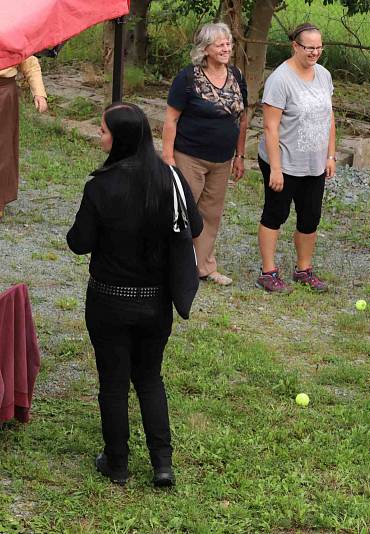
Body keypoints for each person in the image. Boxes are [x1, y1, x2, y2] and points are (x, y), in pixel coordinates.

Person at [67, 103, 203, 487]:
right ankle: (163, 465)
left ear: (120, 138)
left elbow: (79, 243)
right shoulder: (170, 178)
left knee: (113, 383)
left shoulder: (100, 186)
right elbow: (194, 226)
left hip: (109, 301)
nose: (100, 135)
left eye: (103, 130)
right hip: (156, 302)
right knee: (149, 379)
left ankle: (118, 463)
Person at [162, 22, 248, 286]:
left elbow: (242, 118)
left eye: (229, 43)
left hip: (222, 159)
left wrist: (240, 155)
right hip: (190, 156)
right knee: (182, 212)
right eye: (220, 44)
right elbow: (171, 119)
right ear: (205, 48)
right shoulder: (188, 78)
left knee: (211, 214)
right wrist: (168, 157)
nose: (226, 48)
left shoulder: (236, 75)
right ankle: (170, 267)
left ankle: (204, 267)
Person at [256, 22, 336, 293]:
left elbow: (329, 117)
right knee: (276, 213)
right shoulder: (280, 80)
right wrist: (276, 168)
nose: (314, 53)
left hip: (314, 162)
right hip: (284, 159)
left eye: (318, 48)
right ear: (295, 46)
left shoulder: (324, 75)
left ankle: (304, 269)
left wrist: (330, 155)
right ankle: (268, 272)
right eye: (309, 47)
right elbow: (270, 126)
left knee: (310, 216)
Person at [0, 56, 48, 219]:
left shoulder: (11, 32)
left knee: (3, 144)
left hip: (4, 93)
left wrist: (39, 94)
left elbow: (30, 62)